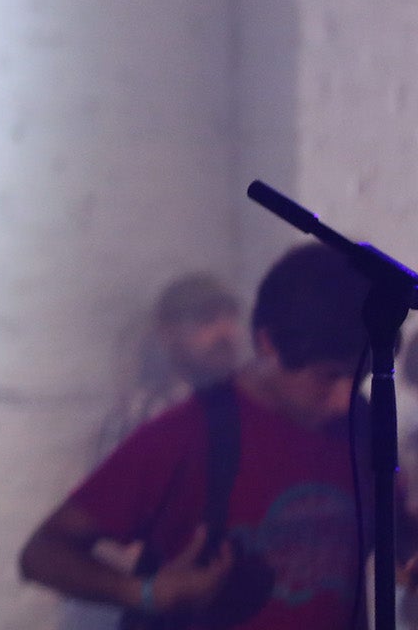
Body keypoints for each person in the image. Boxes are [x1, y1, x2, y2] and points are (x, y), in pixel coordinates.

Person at [18, 243, 369, 629]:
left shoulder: (358, 426)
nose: (343, 400)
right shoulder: (176, 429)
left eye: (228, 316)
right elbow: (46, 551)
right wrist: (147, 591)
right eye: (328, 376)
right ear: (269, 343)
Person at [97, 273, 245, 459]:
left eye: (231, 316)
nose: (225, 331)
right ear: (168, 333)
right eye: (206, 318)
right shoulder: (138, 415)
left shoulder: (255, 405)